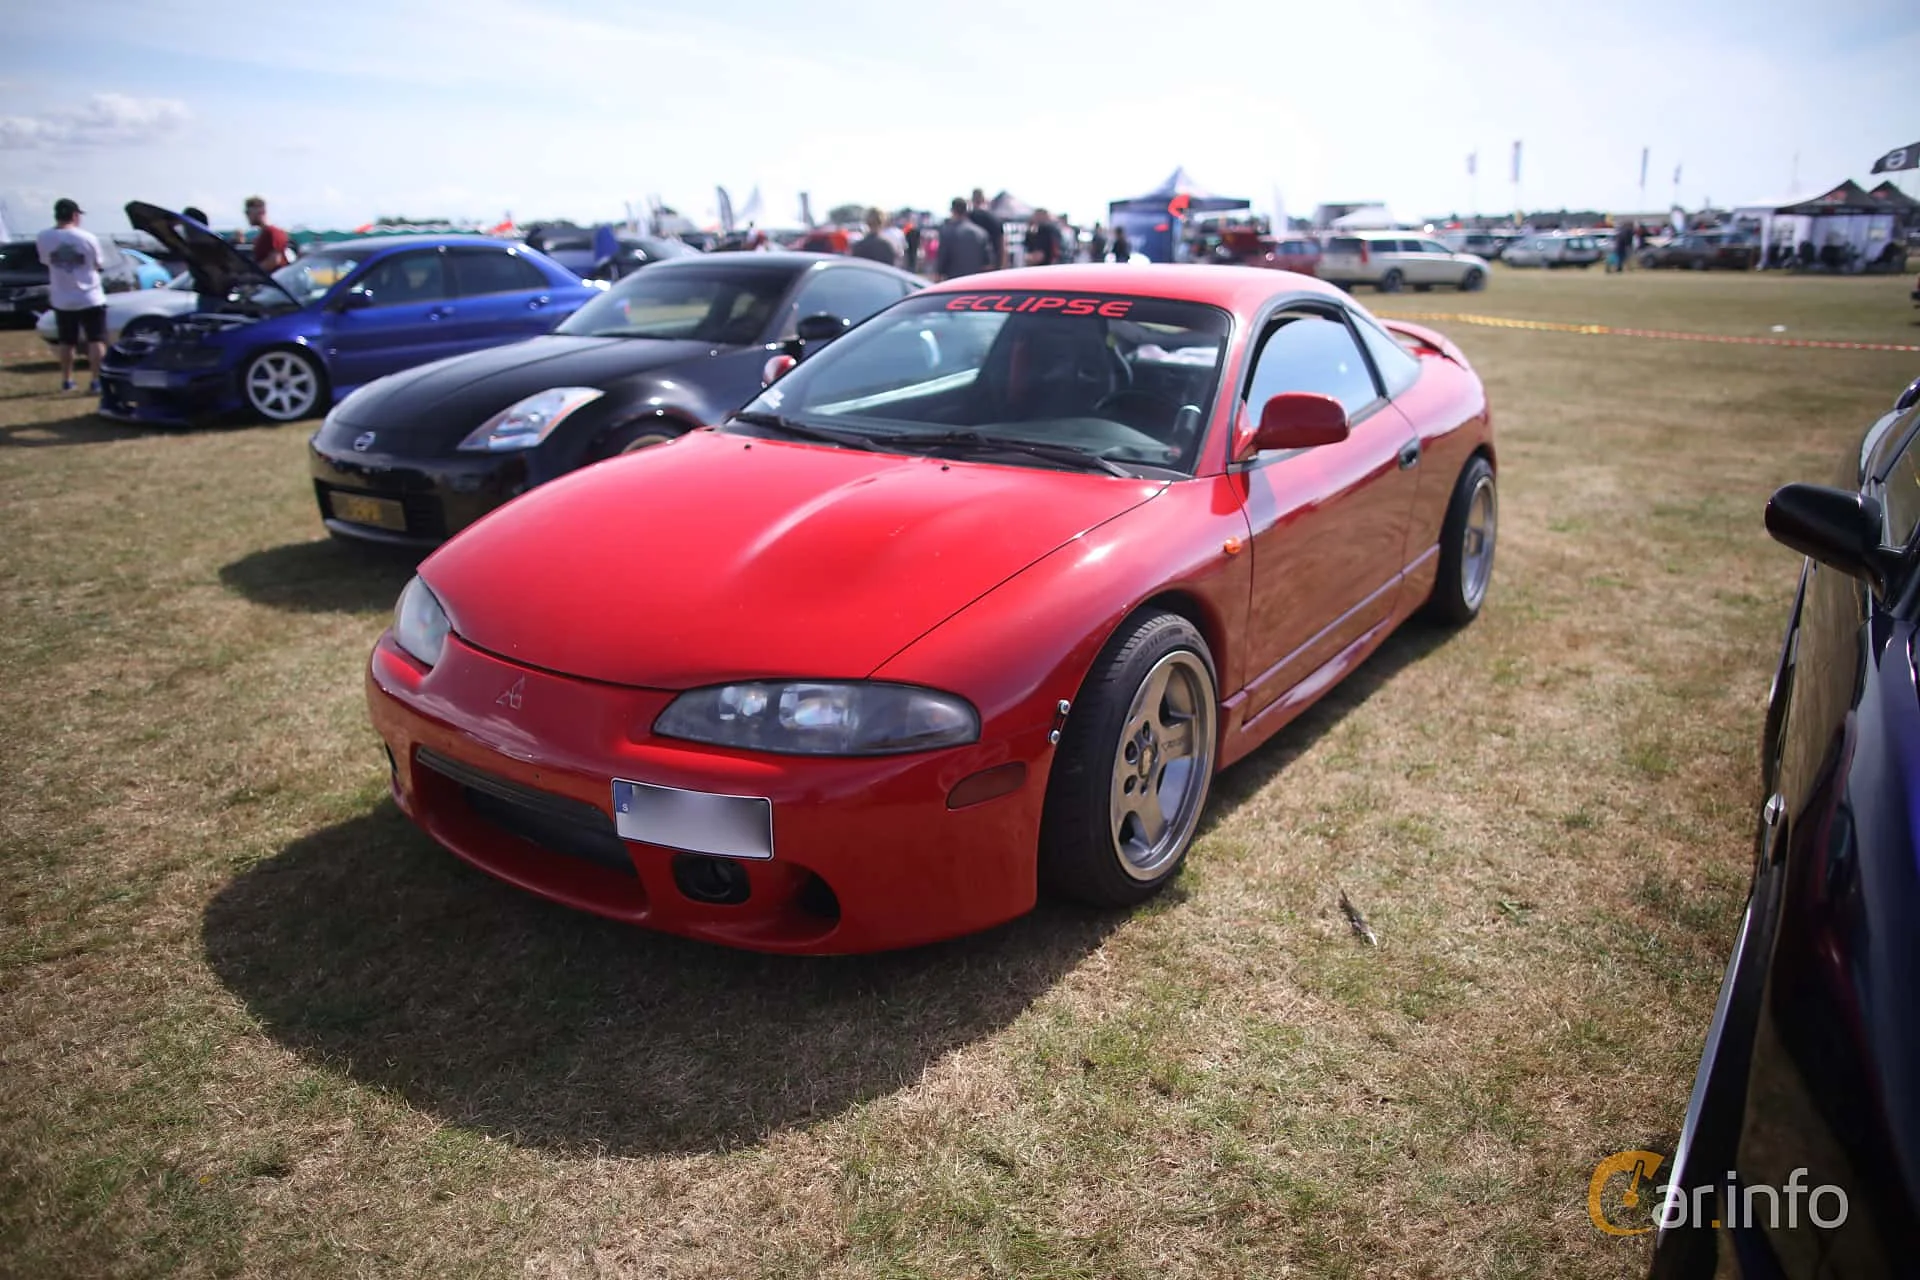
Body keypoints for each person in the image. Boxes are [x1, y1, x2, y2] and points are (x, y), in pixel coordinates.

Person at [36, 198, 109, 393]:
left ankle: (67, 380)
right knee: (96, 339)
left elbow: (45, 260)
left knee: (66, 342)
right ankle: (96, 380)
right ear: (75, 216)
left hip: (62, 298)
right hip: (90, 296)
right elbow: (98, 263)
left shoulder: (44, 237)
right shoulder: (87, 237)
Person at [935, 197, 991, 281]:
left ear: (952, 210)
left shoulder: (947, 232)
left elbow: (942, 258)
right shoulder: (981, 233)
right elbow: (987, 263)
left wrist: (938, 276)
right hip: (975, 280)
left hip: (954, 281)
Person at [244, 196, 292, 271]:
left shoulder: (272, 232)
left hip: (273, 276)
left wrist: (252, 271)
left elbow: (274, 260)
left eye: (248, 212)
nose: (247, 216)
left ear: (261, 211)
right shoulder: (263, 234)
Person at [966, 189, 1005, 269]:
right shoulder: (994, 218)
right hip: (991, 262)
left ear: (972, 200)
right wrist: (1002, 265)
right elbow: (1001, 243)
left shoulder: (967, 218)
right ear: (983, 199)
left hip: (971, 262)